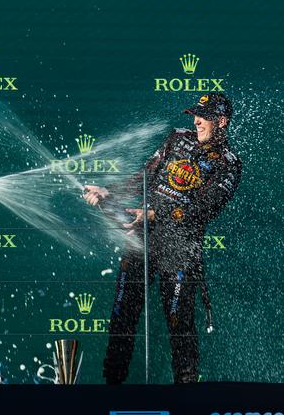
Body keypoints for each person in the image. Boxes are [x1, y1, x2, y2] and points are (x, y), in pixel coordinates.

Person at [83, 94, 241, 383]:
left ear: (221, 122)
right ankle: (110, 387)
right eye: (195, 115)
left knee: (179, 322)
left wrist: (155, 214)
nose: (195, 121)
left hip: (180, 249)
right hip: (143, 240)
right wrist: (110, 192)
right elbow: (145, 175)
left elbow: (202, 210)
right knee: (122, 315)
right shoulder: (178, 138)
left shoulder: (229, 164)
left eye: (202, 117)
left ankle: (187, 395)